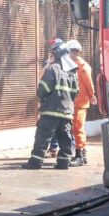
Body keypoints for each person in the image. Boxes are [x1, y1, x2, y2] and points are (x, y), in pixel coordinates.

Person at [22, 39, 79, 169]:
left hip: (51, 111)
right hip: (67, 113)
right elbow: (76, 92)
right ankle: (63, 163)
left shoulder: (53, 68)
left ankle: (35, 162)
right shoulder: (73, 72)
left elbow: (43, 89)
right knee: (65, 138)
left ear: (57, 53)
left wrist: (42, 98)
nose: (51, 57)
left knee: (43, 136)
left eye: (52, 54)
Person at [66, 40, 97, 166]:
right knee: (75, 128)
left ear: (74, 52)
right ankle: (82, 155)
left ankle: (80, 155)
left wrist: (92, 95)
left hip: (80, 102)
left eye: (70, 52)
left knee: (78, 128)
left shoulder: (82, 66)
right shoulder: (73, 64)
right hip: (74, 102)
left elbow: (89, 84)